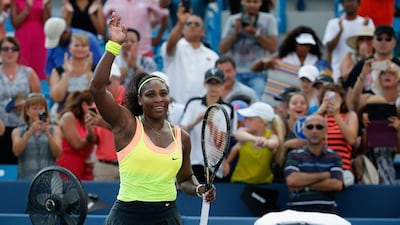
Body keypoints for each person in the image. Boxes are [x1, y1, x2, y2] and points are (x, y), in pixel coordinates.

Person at [89, 13, 215, 224]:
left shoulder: (180, 136)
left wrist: (199, 188)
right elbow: (97, 87)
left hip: (167, 216)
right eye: (150, 94)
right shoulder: (126, 125)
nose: (159, 99)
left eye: (163, 93)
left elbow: (184, 179)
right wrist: (113, 46)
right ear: (139, 100)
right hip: (127, 215)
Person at [180, 68, 235, 182]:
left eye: (217, 83)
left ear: (223, 85)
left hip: (215, 165)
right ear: (205, 84)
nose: (213, 87)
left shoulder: (227, 109)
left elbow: (223, 141)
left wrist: (209, 121)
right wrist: (196, 121)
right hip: (193, 161)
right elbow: (181, 131)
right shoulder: (193, 103)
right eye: (210, 83)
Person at [285, 114, 344, 214]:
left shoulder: (334, 157)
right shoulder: (294, 155)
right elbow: (292, 181)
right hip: (297, 214)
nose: (314, 130)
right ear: (304, 131)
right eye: (310, 127)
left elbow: (337, 185)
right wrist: (324, 175)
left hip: (327, 214)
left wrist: (304, 185)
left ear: (325, 131)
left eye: (319, 127)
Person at [219, 0, 278, 98]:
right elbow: (222, 49)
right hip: (236, 74)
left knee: (257, 104)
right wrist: (235, 32)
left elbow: (273, 47)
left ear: (260, 3)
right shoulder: (232, 20)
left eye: (255, 2)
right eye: (248, 1)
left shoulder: (269, 19)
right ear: (242, 2)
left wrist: (255, 33)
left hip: (258, 74)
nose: (251, 5)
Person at [161, 4, 219, 104]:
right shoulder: (176, 47)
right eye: (188, 24)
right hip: (174, 106)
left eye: (197, 24)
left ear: (203, 31)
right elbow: (169, 47)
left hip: (200, 107)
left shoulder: (213, 56)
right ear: (183, 29)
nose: (192, 26)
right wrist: (180, 23)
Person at [0, 36, 41, 165]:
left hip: (25, 127)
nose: (10, 52)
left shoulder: (28, 73)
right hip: (1, 127)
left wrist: (26, 104)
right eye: (5, 48)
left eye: (14, 49)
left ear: (18, 52)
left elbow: (39, 99)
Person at [224, 102, 284, 184]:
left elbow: (274, 143)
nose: (246, 121)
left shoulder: (271, 136)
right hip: (239, 181)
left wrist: (265, 143)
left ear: (262, 123)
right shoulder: (244, 132)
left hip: (264, 184)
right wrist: (256, 139)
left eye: (250, 119)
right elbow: (239, 135)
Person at [346, 25, 400, 111]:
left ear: (394, 43)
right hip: (366, 113)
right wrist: (354, 116)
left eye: (388, 39)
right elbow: (350, 95)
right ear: (373, 42)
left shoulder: (398, 65)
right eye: (379, 39)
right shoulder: (362, 65)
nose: (383, 42)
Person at [11, 93, 62, 180]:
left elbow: (58, 154)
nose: (38, 112)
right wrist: (30, 131)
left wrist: (48, 134)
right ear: (27, 111)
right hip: (26, 179)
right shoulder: (18, 131)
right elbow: (17, 151)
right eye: (34, 108)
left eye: (41, 108)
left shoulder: (54, 129)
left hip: (50, 181)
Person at [315, 85, 358, 186]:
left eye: (335, 98)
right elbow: (305, 137)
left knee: (343, 180)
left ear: (342, 100)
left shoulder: (349, 116)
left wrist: (336, 115)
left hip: (341, 169)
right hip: (318, 168)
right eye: (328, 98)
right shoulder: (317, 117)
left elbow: (351, 139)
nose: (331, 101)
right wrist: (319, 112)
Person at [322, 0, 374, 81]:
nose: (350, 4)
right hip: (337, 70)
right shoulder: (333, 23)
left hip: (362, 66)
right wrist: (340, 31)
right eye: (347, 1)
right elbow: (329, 48)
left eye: (353, 1)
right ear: (342, 4)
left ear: (359, 4)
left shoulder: (367, 22)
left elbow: (373, 47)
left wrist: (365, 29)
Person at [48, 32, 93, 119]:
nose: (80, 48)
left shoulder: (94, 69)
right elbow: (57, 97)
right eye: (76, 45)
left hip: (88, 114)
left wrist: (88, 74)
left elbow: (98, 95)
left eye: (83, 45)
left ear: (88, 49)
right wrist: (67, 74)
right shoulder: (58, 71)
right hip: (63, 113)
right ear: (70, 48)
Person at [56, 89, 98, 181]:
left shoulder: (89, 121)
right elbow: (77, 145)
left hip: (86, 165)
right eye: (94, 106)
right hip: (70, 164)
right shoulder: (69, 117)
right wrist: (89, 130)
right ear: (84, 105)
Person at [103, 0, 169, 56]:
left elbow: (163, 15)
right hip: (119, 53)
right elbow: (102, 19)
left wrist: (158, 38)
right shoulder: (112, 1)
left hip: (143, 51)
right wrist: (105, 38)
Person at [92, 63, 123, 181]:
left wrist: (103, 123)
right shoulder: (96, 104)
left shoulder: (130, 102)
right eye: (102, 83)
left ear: (118, 80)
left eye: (108, 83)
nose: (104, 87)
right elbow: (93, 140)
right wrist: (90, 128)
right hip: (104, 166)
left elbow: (129, 132)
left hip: (127, 166)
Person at [252, 26, 323, 72]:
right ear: (295, 43)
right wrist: (263, 62)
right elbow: (254, 69)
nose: (304, 48)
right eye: (301, 44)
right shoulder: (283, 57)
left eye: (307, 45)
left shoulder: (316, 60)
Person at [10, 0, 50, 80]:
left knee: (39, 65)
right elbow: (15, 23)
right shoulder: (15, 1)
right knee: (22, 63)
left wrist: (46, 9)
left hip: (39, 36)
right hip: (22, 36)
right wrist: (27, 9)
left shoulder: (43, 1)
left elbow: (46, 24)